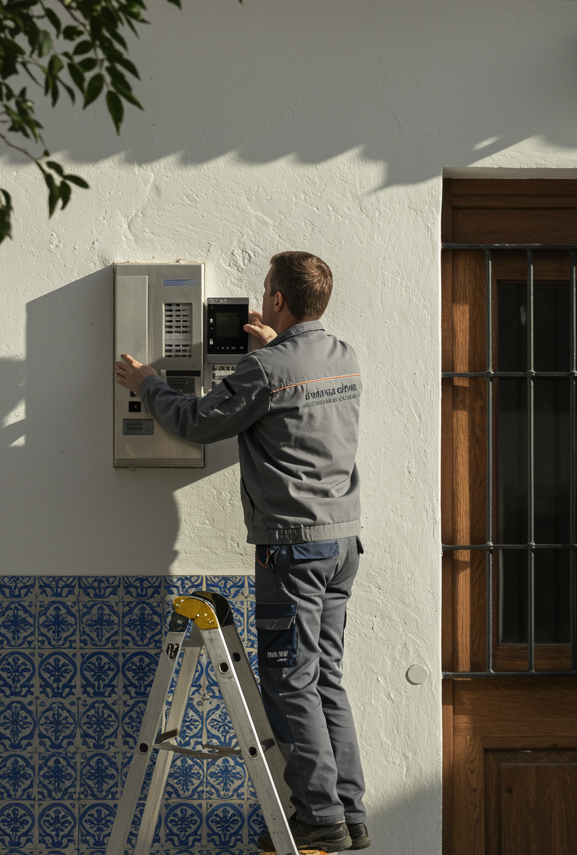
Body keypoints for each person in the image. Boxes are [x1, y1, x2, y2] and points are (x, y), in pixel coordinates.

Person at [114, 251, 369, 853]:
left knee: (290, 680)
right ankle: (350, 812)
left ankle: (318, 815)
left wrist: (146, 382)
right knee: (325, 676)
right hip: (341, 542)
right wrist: (268, 346)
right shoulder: (344, 358)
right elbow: (294, 396)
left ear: (277, 299)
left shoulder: (268, 368)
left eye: (265, 292)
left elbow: (200, 421)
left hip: (292, 550)